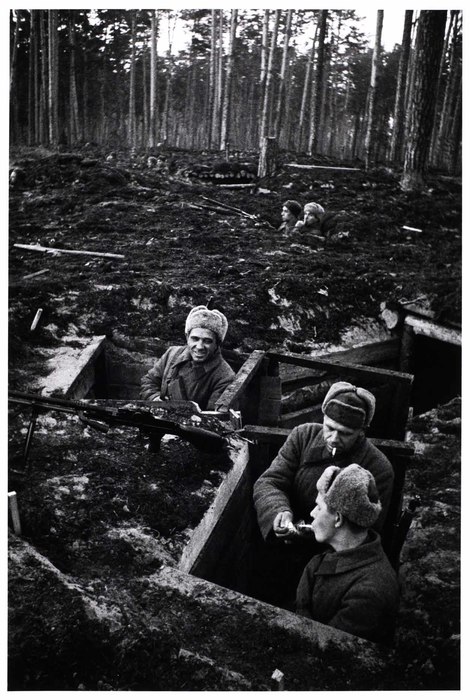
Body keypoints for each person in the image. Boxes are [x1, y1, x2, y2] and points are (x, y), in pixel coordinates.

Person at [251, 381, 394, 604]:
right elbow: (270, 481)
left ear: (361, 432)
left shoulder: (377, 468)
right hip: (281, 547)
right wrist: (279, 512)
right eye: (329, 427)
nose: (334, 438)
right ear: (323, 418)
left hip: (328, 567)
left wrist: (312, 533)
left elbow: (364, 530)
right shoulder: (303, 436)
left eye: (345, 433)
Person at [295, 464, 400, 645]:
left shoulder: (369, 593)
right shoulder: (341, 552)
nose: (312, 513)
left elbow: (324, 648)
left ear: (338, 518)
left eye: (318, 507)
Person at [140, 305, 235, 411]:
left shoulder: (225, 377)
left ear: (217, 344)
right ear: (187, 338)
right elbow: (149, 381)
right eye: (195, 339)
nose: (199, 347)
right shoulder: (172, 354)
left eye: (207, 341)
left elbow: (213, 416)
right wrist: (155, 400)